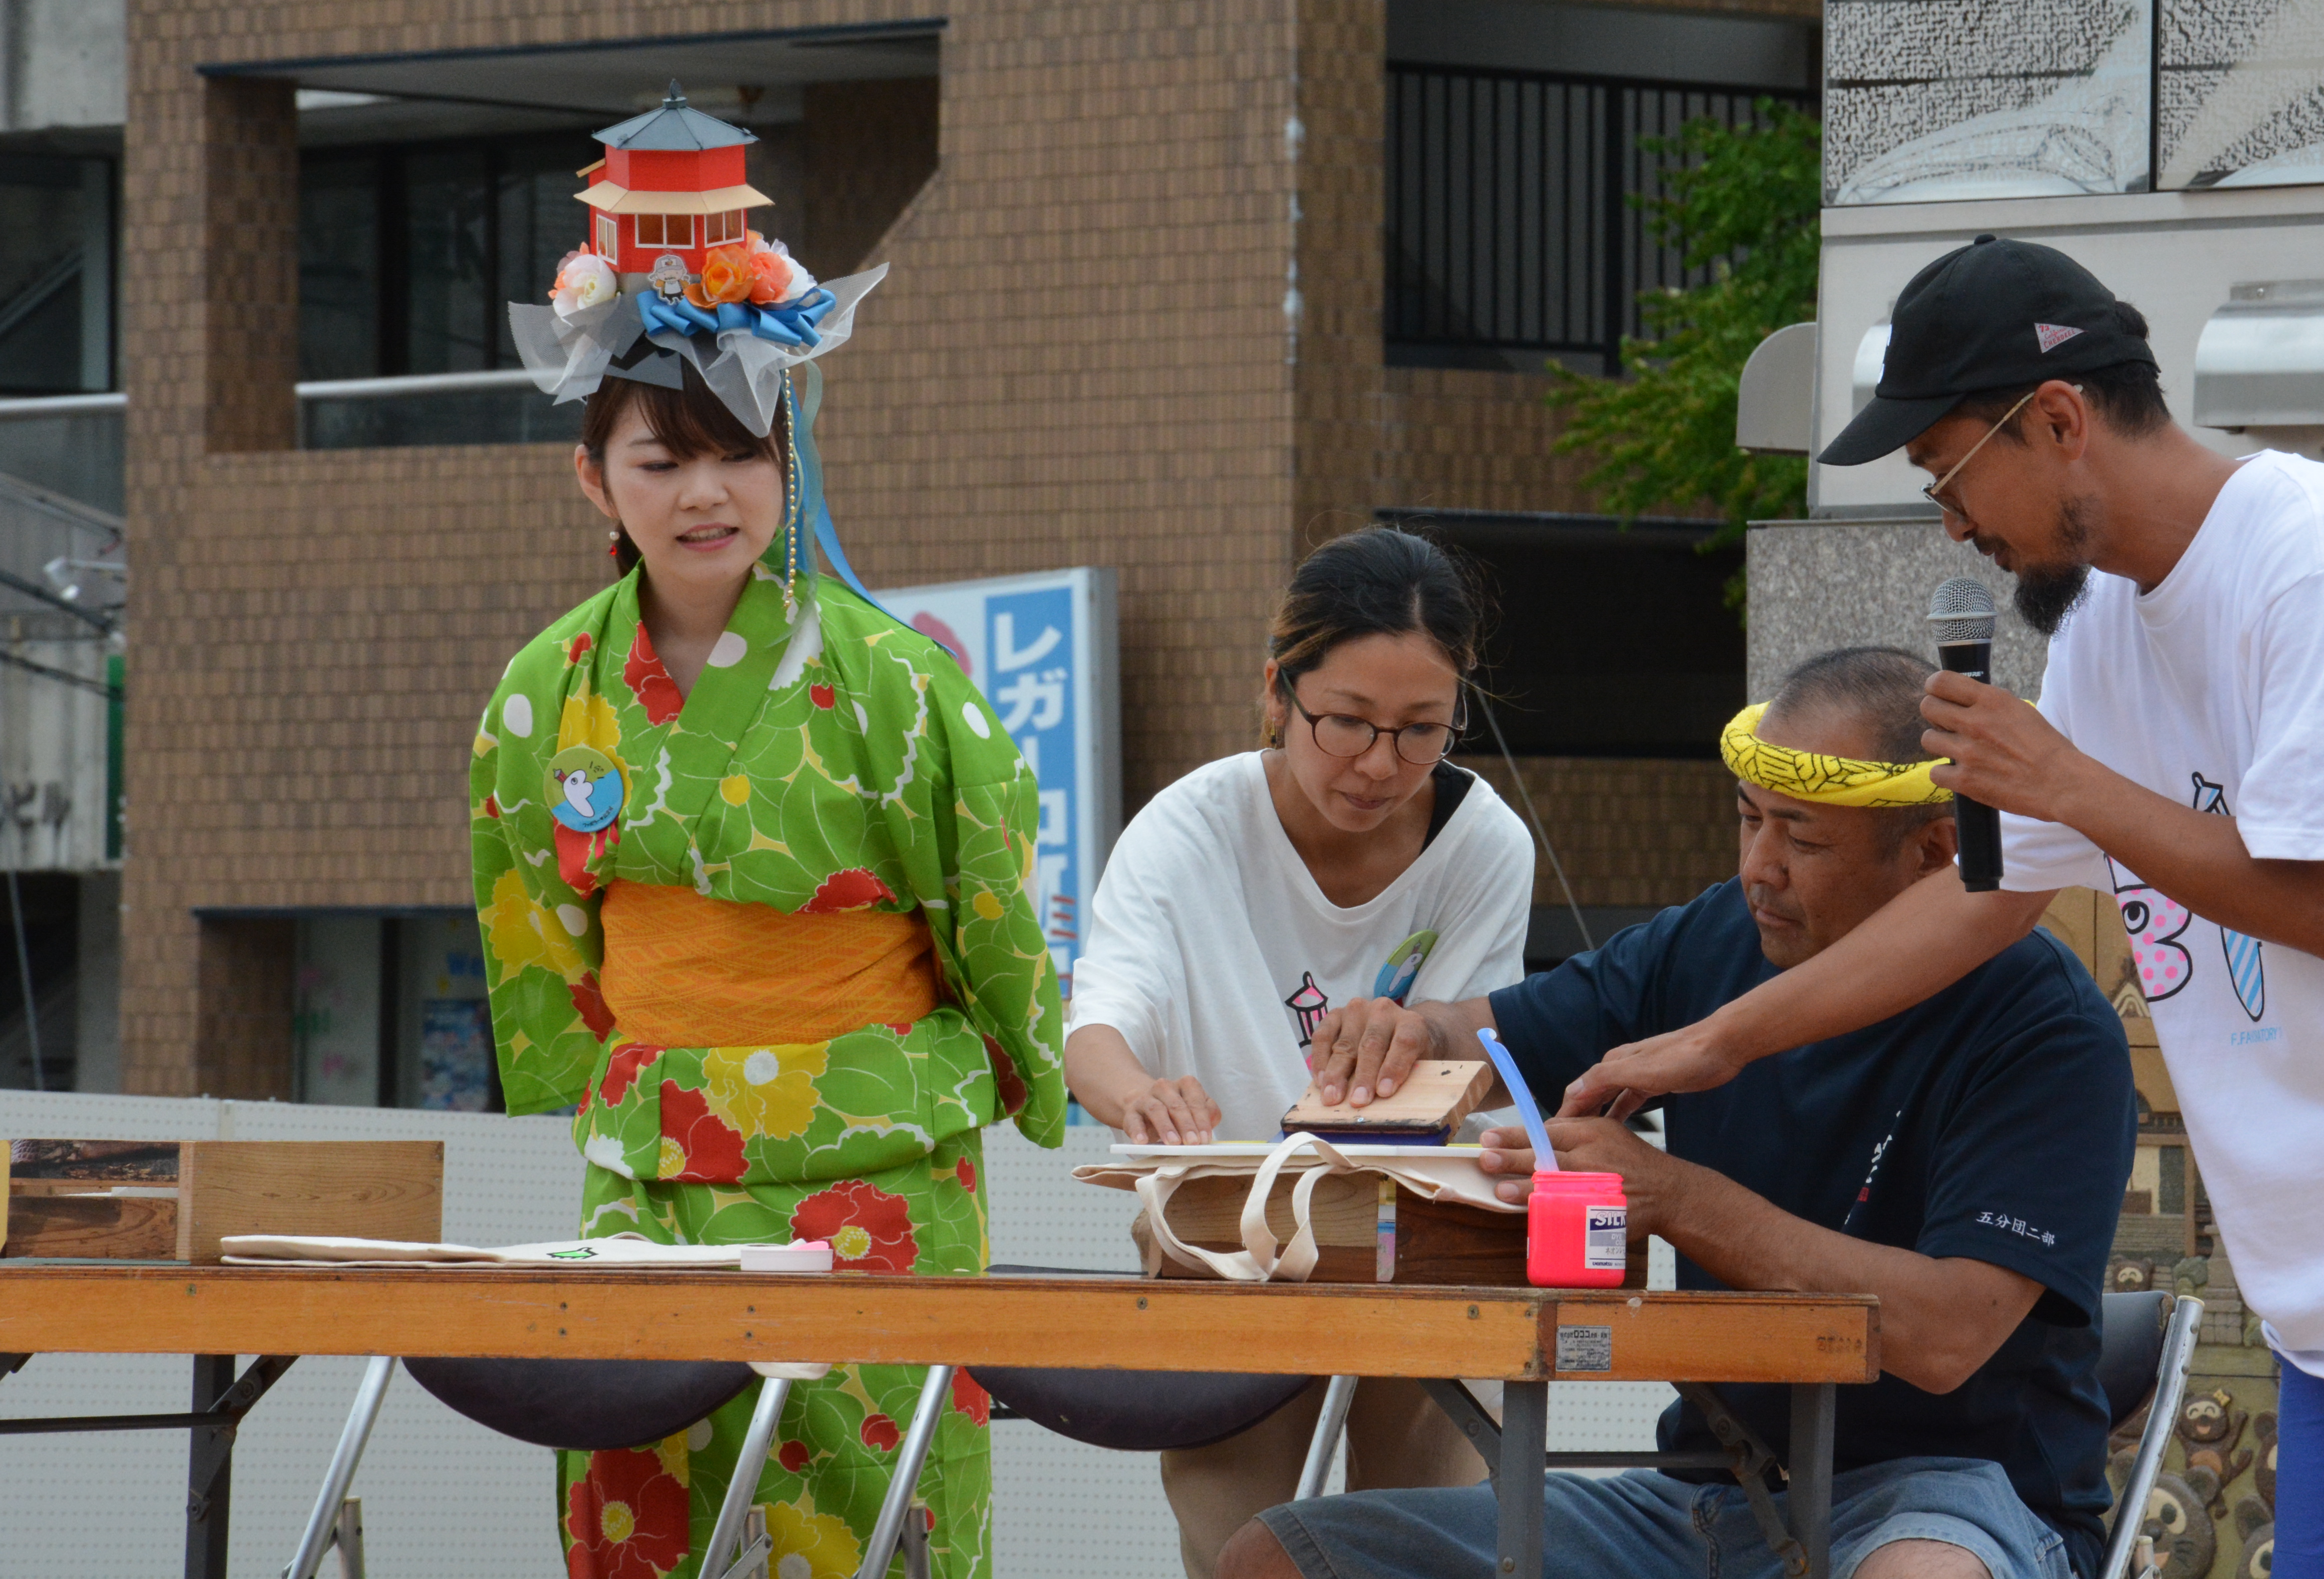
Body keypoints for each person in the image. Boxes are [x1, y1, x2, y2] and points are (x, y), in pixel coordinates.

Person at [1553, 237, 2324, 1577]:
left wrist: (2069, 781)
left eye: (1949, 470)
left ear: (2058, 420)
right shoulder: (2112, 621)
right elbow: (1988, 900)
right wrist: (1722, 1041)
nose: (1953, 523)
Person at [475, 94, 1064, 1579]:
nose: (705, 492)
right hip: (655, 1161)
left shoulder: (901, 683)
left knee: (875, 1516)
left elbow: (987, 907)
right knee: (647, 1515)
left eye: (739, 453)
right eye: (658, 460)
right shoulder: (542, 690)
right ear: (593, 479)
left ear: (789, 458)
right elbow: (544, 927)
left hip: (875, 1154)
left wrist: (1016, 1063)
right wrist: (637, 1074)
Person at [1253, 646, 2136, 1579]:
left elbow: (1947, 1336)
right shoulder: (1717, 937)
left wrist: (1676, 1198)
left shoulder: (2047, 1028)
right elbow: (1500, 1035)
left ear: (1933, 853)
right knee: (1281, 1558)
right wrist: (1412, 1032)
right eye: (1749, 820)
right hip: (1708, 1495)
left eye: (1803, 840)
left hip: (1950, 1498)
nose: (1759, 869)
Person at [1067, 525, 1536, 1579]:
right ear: (1278, 690)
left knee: (1432, 1538)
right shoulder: (1191, 826)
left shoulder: (1485, 841)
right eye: (1349, 721)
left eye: (1422, 730)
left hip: (1417, 1228)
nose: (1380, 764)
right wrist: (1137, 1094)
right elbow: (1098, 1023)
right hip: (1225, 1227)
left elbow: (1474, 1060)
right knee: (1242, 1544)